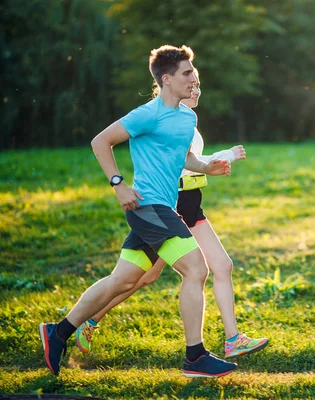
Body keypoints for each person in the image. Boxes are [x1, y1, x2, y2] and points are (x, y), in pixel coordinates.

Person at [39, 45, 237, 378]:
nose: (194, 79)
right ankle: (195, 357)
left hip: (161, 207)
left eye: (194, 73)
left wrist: (206, 166)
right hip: (147, 206)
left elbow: (184, 157)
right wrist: (119, 184)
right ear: (166, 79)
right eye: (187, 74)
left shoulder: (187, 117)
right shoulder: (147, 114)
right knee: (196, 269)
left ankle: (57, 333)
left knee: (122, 281)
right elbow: (100, 142)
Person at [74, 74, 268, 359]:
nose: (196, 89)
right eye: (191, 83)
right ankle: (89, 320)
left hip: (191, 207)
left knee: (221, 266)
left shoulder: (188, 121)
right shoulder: (168, 120)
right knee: (142, 277)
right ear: (169, 84)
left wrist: (215, 163)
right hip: (171, 207)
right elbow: (176, 167)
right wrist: (228, 154)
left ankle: (233, 339)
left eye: (199, 84)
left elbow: (194, 162)